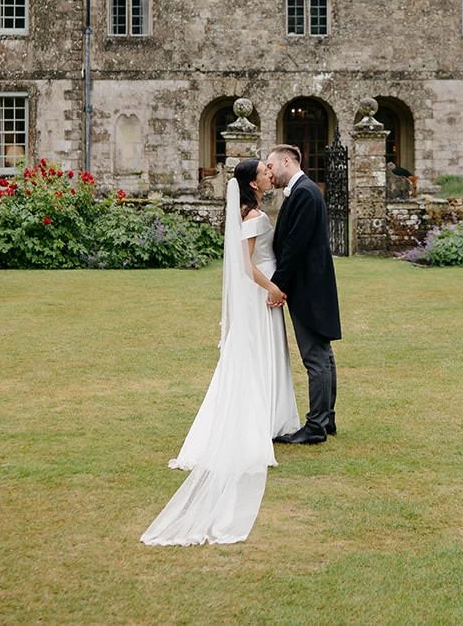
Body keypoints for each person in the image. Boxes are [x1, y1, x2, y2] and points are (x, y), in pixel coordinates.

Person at [140, 159, 301, 546]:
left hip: (258, 292)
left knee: (258, 354)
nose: (269, 173)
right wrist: (273, 288)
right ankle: (255, 423)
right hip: (258, 292)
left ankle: (268, 416)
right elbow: (246, 267)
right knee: (253, 356)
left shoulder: (251, 210)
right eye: (264, 171)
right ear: (253, 183)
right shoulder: (253, 215)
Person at [266, 143, 342, 445]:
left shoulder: (305, 193)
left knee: (316, 357)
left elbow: (294, 247)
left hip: (309, 288)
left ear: (286, 161)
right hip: (312, 285)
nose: (269, 173)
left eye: (271, 166)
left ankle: (316, 426)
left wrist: (277, 286)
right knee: (322, 354)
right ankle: (326, 419)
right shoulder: (303, 191)